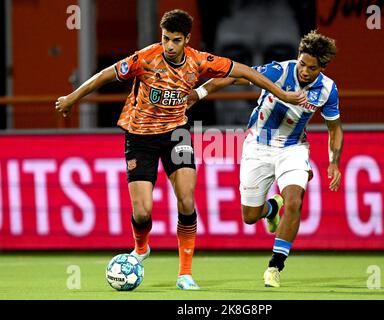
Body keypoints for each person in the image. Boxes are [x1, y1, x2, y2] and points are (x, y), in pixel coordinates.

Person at [55, 9, 306, 290]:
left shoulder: (199, 61)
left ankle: (185, 274)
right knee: (142, 212)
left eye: (175, 40)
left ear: (186, 39)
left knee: (186, 200)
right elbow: (105, 75)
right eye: (165, 39)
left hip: (177, 134)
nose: (169, 46)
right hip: (140, 138)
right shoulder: (146, 58)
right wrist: (72, 98)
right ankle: (142, 247)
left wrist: (282, 94)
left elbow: (244, 71)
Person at [190, 30, 343, 287]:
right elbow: (234, 76)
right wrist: (199, 94)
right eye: (302, 63)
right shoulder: (279, 71)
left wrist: (333, 160)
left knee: (295, 202)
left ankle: (275, 266)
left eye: (312, 68)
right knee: (250, 216)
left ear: (323, 68)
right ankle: (273, 207)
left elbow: (334, 128)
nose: (304, 71)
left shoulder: (328, 90)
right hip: (257, 146)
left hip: (293, 148)